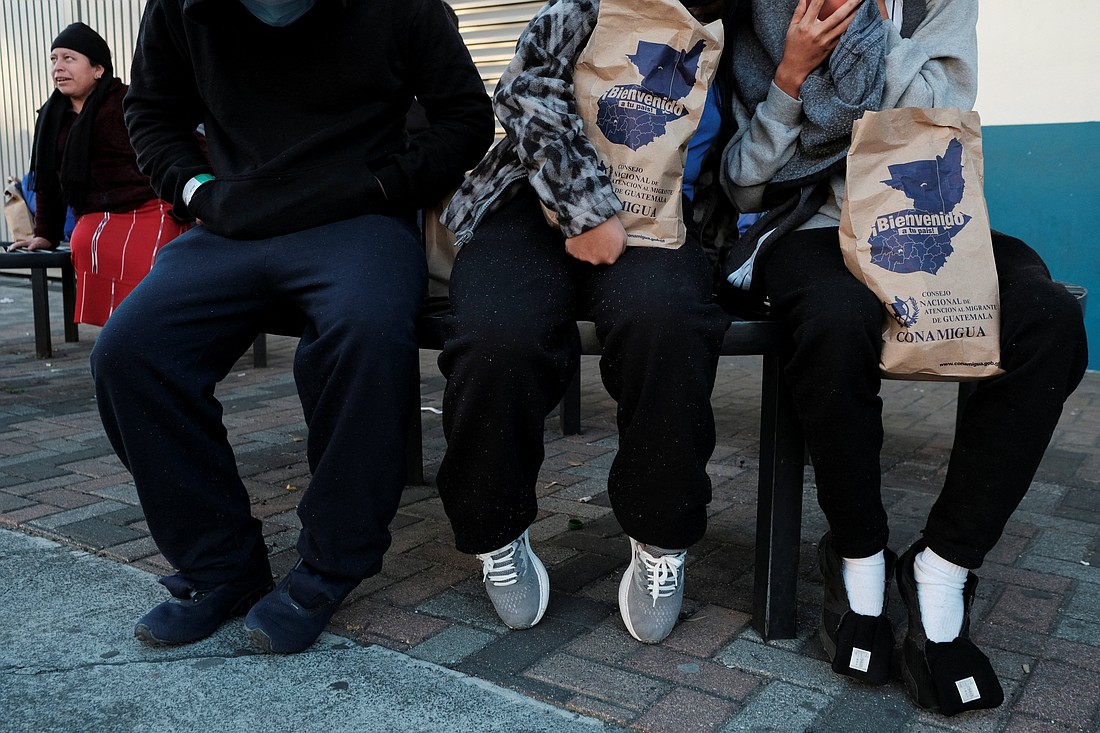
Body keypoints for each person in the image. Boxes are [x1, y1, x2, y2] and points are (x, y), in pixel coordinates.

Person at [90, 0, 493, 654]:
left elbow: (466, 116)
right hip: (232, 219)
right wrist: (198, 192)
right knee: (131, 352)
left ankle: (332, 560)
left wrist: (385, 184)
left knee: (364, 331)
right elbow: (152, 113)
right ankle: (221, 564)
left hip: (358, 216)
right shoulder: (182, 8)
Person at [720, 0, 1088, 714]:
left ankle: (942, 567)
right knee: (834, 315)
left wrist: (871, 33)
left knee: (1048, 318)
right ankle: (857, 555)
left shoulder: (937, 3)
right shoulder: (767, 12)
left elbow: (935, 113)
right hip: (812, 227)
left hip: (925, 227)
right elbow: (744, 180)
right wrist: (792, 74)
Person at [435, 0, 740, 644]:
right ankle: (497, 530)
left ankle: (660, 535)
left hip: (665, 211)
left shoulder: (752, 19)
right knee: (496, 335)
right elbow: (524, 87)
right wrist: (583, 207)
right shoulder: (589, 2)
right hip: (536, 195)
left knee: (669, 322)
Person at [5, 23, 189, 327]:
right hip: (97, 213)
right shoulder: (51, 118)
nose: (58, 67)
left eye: (69, 58)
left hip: (152, 205)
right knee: (83, 240)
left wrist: (197, 201)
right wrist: (43, 234)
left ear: (98, 68)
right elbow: (48, 184)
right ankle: (118, 330)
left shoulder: (130, 102)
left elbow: (183, 144)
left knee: (151, 252)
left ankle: (156, 327)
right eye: (54, 59)